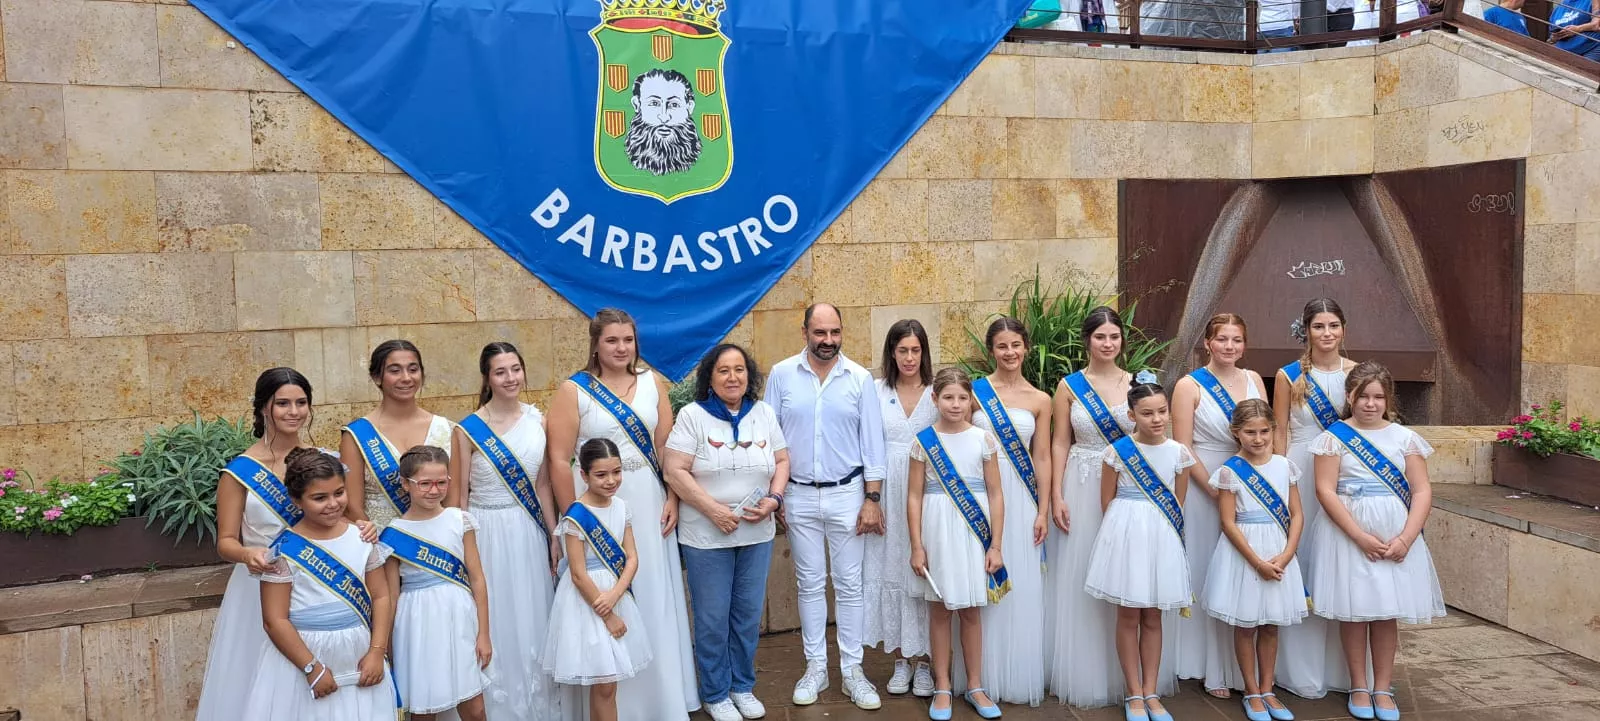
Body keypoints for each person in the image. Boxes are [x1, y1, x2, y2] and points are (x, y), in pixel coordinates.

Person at [547, 308, 697, 720]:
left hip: (648, 502)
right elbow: (559, 460)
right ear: (595, 343)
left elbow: (666, 447)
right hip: (595, 509)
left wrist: (673, 497)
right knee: (604, 590)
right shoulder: (574, 390)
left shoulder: (653, 383)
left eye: (627, 340)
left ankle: (659, 703)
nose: (621, 348)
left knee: (651, 593)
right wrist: (570, 520)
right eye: (612, 340)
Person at [200, 368, 368, 721]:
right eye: (283, 404)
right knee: (262, 685)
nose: (294, 412)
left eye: (301, 403)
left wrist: (366, 530)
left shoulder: (325, 460)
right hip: (261, 587)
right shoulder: (239, 472)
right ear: (263, 408)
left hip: (322, 585)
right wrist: (248, 553)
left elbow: (350, 517)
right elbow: (226, 541)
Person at [763, 303, 886, 709]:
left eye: (834, 332)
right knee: (810, 584)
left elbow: (873, 444)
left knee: (851, 585)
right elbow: (769, 439)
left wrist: (872, 498)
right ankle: (815, 667)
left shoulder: (860, 378)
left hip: (848, 493)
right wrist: (776, 492)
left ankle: (853, 671)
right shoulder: (782, 375)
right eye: (820, 333)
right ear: (804, 333)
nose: (828, 341)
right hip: (797, 494)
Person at [1308, 361, 1445, 721]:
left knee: (1385, 613)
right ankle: (1358, 684)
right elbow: (1324, 489)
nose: (1371, 403)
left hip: (1396, 535)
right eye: (1363, 396)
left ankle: (1382, 686)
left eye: (1378, 397)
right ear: (1350, 396)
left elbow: (1421, 489)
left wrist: (1407, 538)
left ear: (1388, 399)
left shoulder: (1405, 438)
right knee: (1355, 611)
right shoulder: (1333, 438)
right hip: (1348, 535)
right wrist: (1359, 536)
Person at [663, 343, 790, 721]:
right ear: (710, 378)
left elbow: (782, 460)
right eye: (723, 371)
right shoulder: (692, 416)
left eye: (739, 370)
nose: (732, 377)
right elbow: (675, 470)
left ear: (748, 375)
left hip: (756, 534)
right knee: (712, 618)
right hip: (707, 535)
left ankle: (742, 686)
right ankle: (716, 692)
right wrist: (713, 510)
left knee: (747, 615)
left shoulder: (763, 413)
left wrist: (775, 498)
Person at [451, 342, 568, 721]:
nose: (510, 378)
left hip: (528, 532)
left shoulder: (539, 421)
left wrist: (554, 535)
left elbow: (544, 486)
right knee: (494, 619)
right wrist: (460, 553)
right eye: (500, 372)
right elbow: (459, 498)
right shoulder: (468, 430)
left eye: (515, 369)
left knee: (532, 618)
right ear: (487, 378)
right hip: (484, 534)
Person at [1048, 307, 1158, 708]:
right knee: (1085, 574)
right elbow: (1060, 441)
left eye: (1114, 337)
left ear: (1122, 341)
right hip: (1081, 484)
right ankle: (1090, 670)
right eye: (1100, 337)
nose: (1108, 344)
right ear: (1087, 340)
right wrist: (1057, 494)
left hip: (1131, 489)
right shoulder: (1069, 386)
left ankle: (1139, 683)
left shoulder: (1140, 383)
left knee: (1131, 577)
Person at [241, 448, 398, 721]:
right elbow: (275, 620)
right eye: (319, 498)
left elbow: (381, 596)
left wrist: (377, 651)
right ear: (296, 500)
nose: (333, 503)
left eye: (339, 493)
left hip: (359, 650)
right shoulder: (284, 550)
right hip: (306, 656)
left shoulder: (362, 538)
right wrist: (311, 667)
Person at [1085, 375, 1198, 721]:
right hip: (1125, 533)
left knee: (1153, 615)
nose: (1157, 419)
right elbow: (1107, 500)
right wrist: (1125, 531)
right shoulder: (1116, 452)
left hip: (1160, 535)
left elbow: (1177, 500)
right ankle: (1133, 692)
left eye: (1162, 411)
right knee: (1128, 613)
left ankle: (1151, 690)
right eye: (1147, 413)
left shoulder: (1179, 452)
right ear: (1132, 415)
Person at [1172, 313, 1266, 698]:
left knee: (1241, 571)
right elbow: (1182, 447)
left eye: (1237, 340)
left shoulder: (1255, 380)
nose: (1230, 346)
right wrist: (1212, 489)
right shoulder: (1188, 385)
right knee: (1207, 569)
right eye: (1222, 339)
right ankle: (1207, 663)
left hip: (1248, 482)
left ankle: (1243, 666)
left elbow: (1264, 435)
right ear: (1207, 343)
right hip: (1204, 484)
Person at [907, 367, 1007, 721]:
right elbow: (915, 496)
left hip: (973, 531)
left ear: (971, 401)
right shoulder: (924, 441)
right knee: (939, 608)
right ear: (935, 399)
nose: (955, 404)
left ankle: (976, 686)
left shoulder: (983, 439)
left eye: (962, 397)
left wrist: (995, 544)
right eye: (948, 397)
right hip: (937, 529)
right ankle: (943, 685)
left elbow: (995, 493)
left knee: (970, 609)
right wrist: (917, 545)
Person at [964, 317, 1051, 706]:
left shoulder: (1040, 399)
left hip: (1022, 498)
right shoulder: (975, 394)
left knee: (1021, 584)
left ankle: (1016, 673)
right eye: (1002, 346)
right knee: (980, 581)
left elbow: (1043, 457)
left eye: (1016, 345)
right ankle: (978, 677)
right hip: (980, 498)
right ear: (991, 350)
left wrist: (1043, 509)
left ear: (1026, 348)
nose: (1010, 353)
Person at [1272, 299, 1357, 700]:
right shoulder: (1289, 377)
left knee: (1342, 562)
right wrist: (1277, 479)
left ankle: (1345, 669)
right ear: (1305, 330)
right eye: (1319, 326)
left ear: (1343, 329)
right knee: (1304, 562)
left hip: (1348, 473)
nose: (1327, 333)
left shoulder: (1357, 373)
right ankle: (1300, 668)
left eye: (1334, 325)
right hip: (1303, 471)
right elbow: (1280, 433)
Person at [1204, 400, 1308, 721]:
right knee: (1247, 624)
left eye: (1264, 431)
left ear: (1274, 430)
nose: (1258, 438)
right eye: (1250, 432)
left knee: (1271, 624)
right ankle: (1251, 691)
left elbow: (1296, 513)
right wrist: (1256, 561)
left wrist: (1288, 554)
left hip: (1279, 550)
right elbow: (1228, 522)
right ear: (1236, 433)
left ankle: (1268, 688)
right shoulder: (1229, 471)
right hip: (1245, 553)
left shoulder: (1284, 466)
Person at [544, 439, 653, 721]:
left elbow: (632, 558)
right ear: (584, 475)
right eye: (601, 475)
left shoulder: (621, 507)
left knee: (609, 687)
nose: (611, 480)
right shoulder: (575, 517)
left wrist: (616, 595)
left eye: (616, 472)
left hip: (614, 595)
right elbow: (578, 574)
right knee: (603, 682)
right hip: (587, 603)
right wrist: (607, 614)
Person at [381, 445, 491, 721]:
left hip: (459, 616)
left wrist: (484, 634)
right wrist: (389, 647)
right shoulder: (394, 534)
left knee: (475, 708)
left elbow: (477, 579)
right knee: (422, 709)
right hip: (415, 622)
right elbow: (391, 596)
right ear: (405, 484)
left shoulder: (459, 520)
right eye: (425, 483)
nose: (434, 490)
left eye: (441, 482)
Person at [865, 320, 938, 698]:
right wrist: (871, 498)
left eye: (915, 350)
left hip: (929, 493)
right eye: (902, 351)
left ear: (924, 352)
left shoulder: (936, 392)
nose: (909, 358)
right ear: (891, 354)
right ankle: (898, 659)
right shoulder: (876, 391)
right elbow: (865, 444)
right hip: (887, 489)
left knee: (923, 572)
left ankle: (925, 662)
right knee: (889, 569)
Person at [342, 340, 455, 529]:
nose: (406, 378)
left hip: (437, 550)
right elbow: (353, 507)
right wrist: (380, 547)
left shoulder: (447, 428)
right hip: (382, 544)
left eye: (413, 369)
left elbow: (453, 499)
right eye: (395, 371)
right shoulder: (356, 436)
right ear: (377, 377)